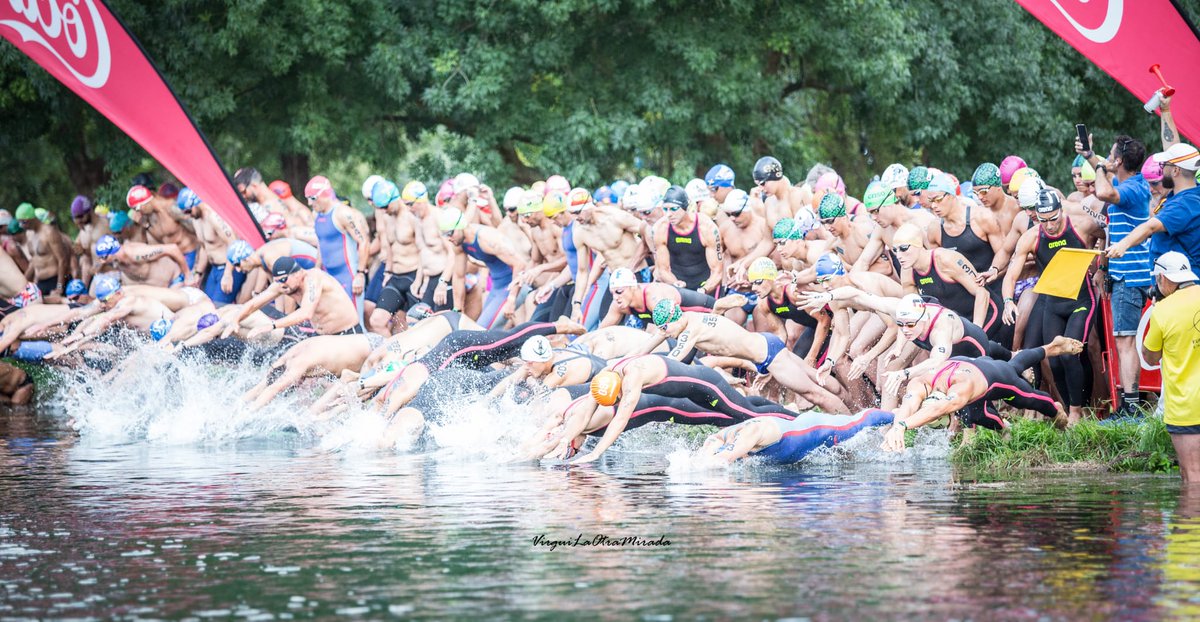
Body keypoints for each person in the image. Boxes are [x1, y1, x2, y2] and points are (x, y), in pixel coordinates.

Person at [638, 299, 849, 413]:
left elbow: (671, 362)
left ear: (675, 319)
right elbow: (646, 346)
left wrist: (641, 373)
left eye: (665, 328)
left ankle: (856, 428)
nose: (664, 332)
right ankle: (855, 406)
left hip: (768, 355)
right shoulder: (692, 317)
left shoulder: (690, 331)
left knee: (814, 394)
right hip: (766, 344)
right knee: (815, 377)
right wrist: (619, 362)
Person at [1002, 189, 1103, 425]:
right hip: (1053, 303)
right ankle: (1070, 410)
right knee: (1054, 361)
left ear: (1061, 211)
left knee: (1070, 355)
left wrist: (1101, 267)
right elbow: (1011, 274)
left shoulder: (1081, 225)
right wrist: (1008, 301)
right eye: (1043, 220)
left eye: (1053, 219)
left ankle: (1078, 412)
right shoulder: (1031, 236)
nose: (1049, 226)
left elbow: (1106, 233)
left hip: (1081, 300)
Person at [881, 336, 1082, 452]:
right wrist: (896, 428)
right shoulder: (921, 382)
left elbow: (940, 408)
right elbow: (908, 405)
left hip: (994, 376)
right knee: (975, 413)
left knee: (1028, 397)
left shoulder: (960, 389)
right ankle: (1005, 429)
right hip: (966, 363)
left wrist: (904, 425)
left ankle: (1056, 410)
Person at [1082, 135, 1152, 415]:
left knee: (1125, 342)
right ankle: (1129, 405)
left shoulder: (1132, 189)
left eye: (1112, 157)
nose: (1107, 161)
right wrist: (1090, 155)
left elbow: (1103, 193)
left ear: (1119, 161)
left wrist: (1100, 168)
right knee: (1125, 341)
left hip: (1130, 279)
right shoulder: (1132, 184)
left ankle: (1130, 408)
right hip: (1126, 275)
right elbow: (1105, 176)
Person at [1143, 252, 1200, 482]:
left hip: (1185, 406)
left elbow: (1148, 357)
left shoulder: (1163, 311)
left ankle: (1189, 519)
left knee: (1192, 476)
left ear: (1164, 278)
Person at [1107, 143, 1200, 269]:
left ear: (1175, 170)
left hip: (1182, 283)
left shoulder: (1185, 204)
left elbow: (1150, 227)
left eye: (1164, 165)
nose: (1162, 170)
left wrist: (1123, 244)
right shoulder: (1185, 196)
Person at [697, 408, 894, 464]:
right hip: (799, 442)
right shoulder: (727, 435)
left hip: (817, 428)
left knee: (860, 422)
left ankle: (900, 417)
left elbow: (721, 461)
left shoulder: (749, 433)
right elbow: (713, 439)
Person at [438, 206, 528, 329]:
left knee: (483, 331)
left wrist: (511, 299)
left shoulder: (486, 238)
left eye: (450, 233)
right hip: (497, 286)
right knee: (480, 329)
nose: (449, 238)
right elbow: (459, 276)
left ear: (461, 226)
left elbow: (520, 264)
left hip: (514, 285)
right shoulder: (458, 243)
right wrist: (457, 310)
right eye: (445, 235)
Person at [237, 256, 361, 337]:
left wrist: (272, 325)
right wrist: (235, 320)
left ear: (298, 273)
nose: (281, 284)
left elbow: (306, 313)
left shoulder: (313, 279)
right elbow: (254, 303)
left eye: (284, 279)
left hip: (348, 333)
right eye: (278, 281)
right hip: (322, 336)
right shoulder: (284, 284)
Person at [305, 175, 371, 321]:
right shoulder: (316, 214)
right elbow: (322, 245)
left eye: (312, 198)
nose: (309, 203)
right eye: (307, 198)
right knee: (334, 322)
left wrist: (360, 274)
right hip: (328, 276)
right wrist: (316, 271)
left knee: (354, 321)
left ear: (324, 195)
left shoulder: (343, 213)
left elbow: (364, 242)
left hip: (348, 276)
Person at [367, 180, 424, 334]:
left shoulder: (413, 217)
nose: (384, 211)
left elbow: (423, 251)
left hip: (413, 276)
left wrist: (420, 280)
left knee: (414, 327)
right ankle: (391, 354)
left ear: (395, 198)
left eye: (386, 206)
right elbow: (390, 248)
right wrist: (388, 271)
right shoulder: (387, 218)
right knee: (376, 321)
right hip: (396, 277)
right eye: (381, 208)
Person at [652, 185, 723, 295]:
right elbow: (663, 269)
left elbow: (717, 272)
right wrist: (675, 283)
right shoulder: (660, 228)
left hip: (707, 284)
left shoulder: (706, 227)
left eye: (674, 209)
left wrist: (705, 289)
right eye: (665, 209)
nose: (668, 214)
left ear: (686, 207)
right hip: (678, 284)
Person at [176, 188, 241, 305]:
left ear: (195, 204)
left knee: (217, 307)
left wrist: (228, 274)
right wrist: (198, 273)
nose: (188, 216)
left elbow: (234, 244)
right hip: (214, 269)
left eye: (188, 211)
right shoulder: (197, 220)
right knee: (204, 305)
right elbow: (204, 247)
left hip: (229, 268)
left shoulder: (214, 217)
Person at [93, 234, 190, 288]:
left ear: (113, 252)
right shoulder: (116, 261)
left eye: (104, 258)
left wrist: (188, 276)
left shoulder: (137, 254)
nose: (102, 261)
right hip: (161, 290)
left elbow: (172, 248)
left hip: (175, 280)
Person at [14, 203, 68, 297]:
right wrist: (22, 283)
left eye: (23, 222)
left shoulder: (49, 232)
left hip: (54, 281)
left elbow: (62, 260)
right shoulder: (29, 234)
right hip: (40, 283)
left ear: (32, 218)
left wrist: (59, 287)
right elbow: (34, 261)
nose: (22, 226)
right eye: (19, 223)